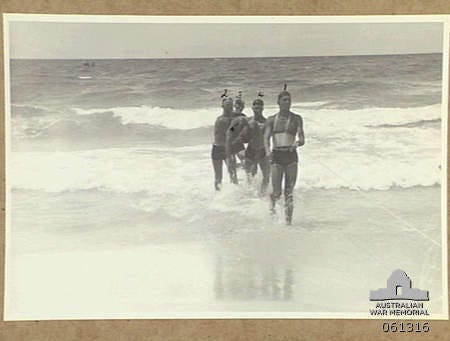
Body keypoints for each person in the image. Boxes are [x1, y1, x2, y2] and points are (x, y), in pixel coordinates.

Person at [264, 86, 305, 225]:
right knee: (277, 192)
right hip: (277, 156)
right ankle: (272, 211)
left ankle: (288, 222)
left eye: (289, 100)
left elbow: (302, 138)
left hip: (291, 156)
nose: (287, 103)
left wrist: (297, 143)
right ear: (278, 102)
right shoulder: (271, 120)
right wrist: (268, 151)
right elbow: (266, 138)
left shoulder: (297, 119)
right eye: (284, 100)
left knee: (289, 192)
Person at [233, 92, 270, 195]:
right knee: (250, 176)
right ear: (252, 108)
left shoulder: (266, 122)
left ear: (262, 108)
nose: (257, 109)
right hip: (250, 151)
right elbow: (233, 128)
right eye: (255, 107)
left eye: (259, 107)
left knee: (266, 176)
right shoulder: (247, 121)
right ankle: (250, 198)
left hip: (262, 152)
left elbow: (268, 140)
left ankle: (262, 196)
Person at [212, 91, 234, 191]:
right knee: (219, 176)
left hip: (227, 148)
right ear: (222, 106)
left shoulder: (232, 119)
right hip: (218, 148)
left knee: (232, 173)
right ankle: (218, 196)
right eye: (228, 105)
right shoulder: (221, 120)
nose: (230, 107)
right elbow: (229, 133)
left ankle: (236, 197)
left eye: (231, 105)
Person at [225, 92, 248, 184]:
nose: (240, 108)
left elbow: (246, 130)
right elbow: (229, 129)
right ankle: (234, 189)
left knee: (246, 160)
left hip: (238, 142)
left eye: (242, 106)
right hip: (229, 142)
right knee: (232, 169)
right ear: (235, 106)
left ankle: (248, 183)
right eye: (238, 106)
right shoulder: (231, 115)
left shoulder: (243, 117)